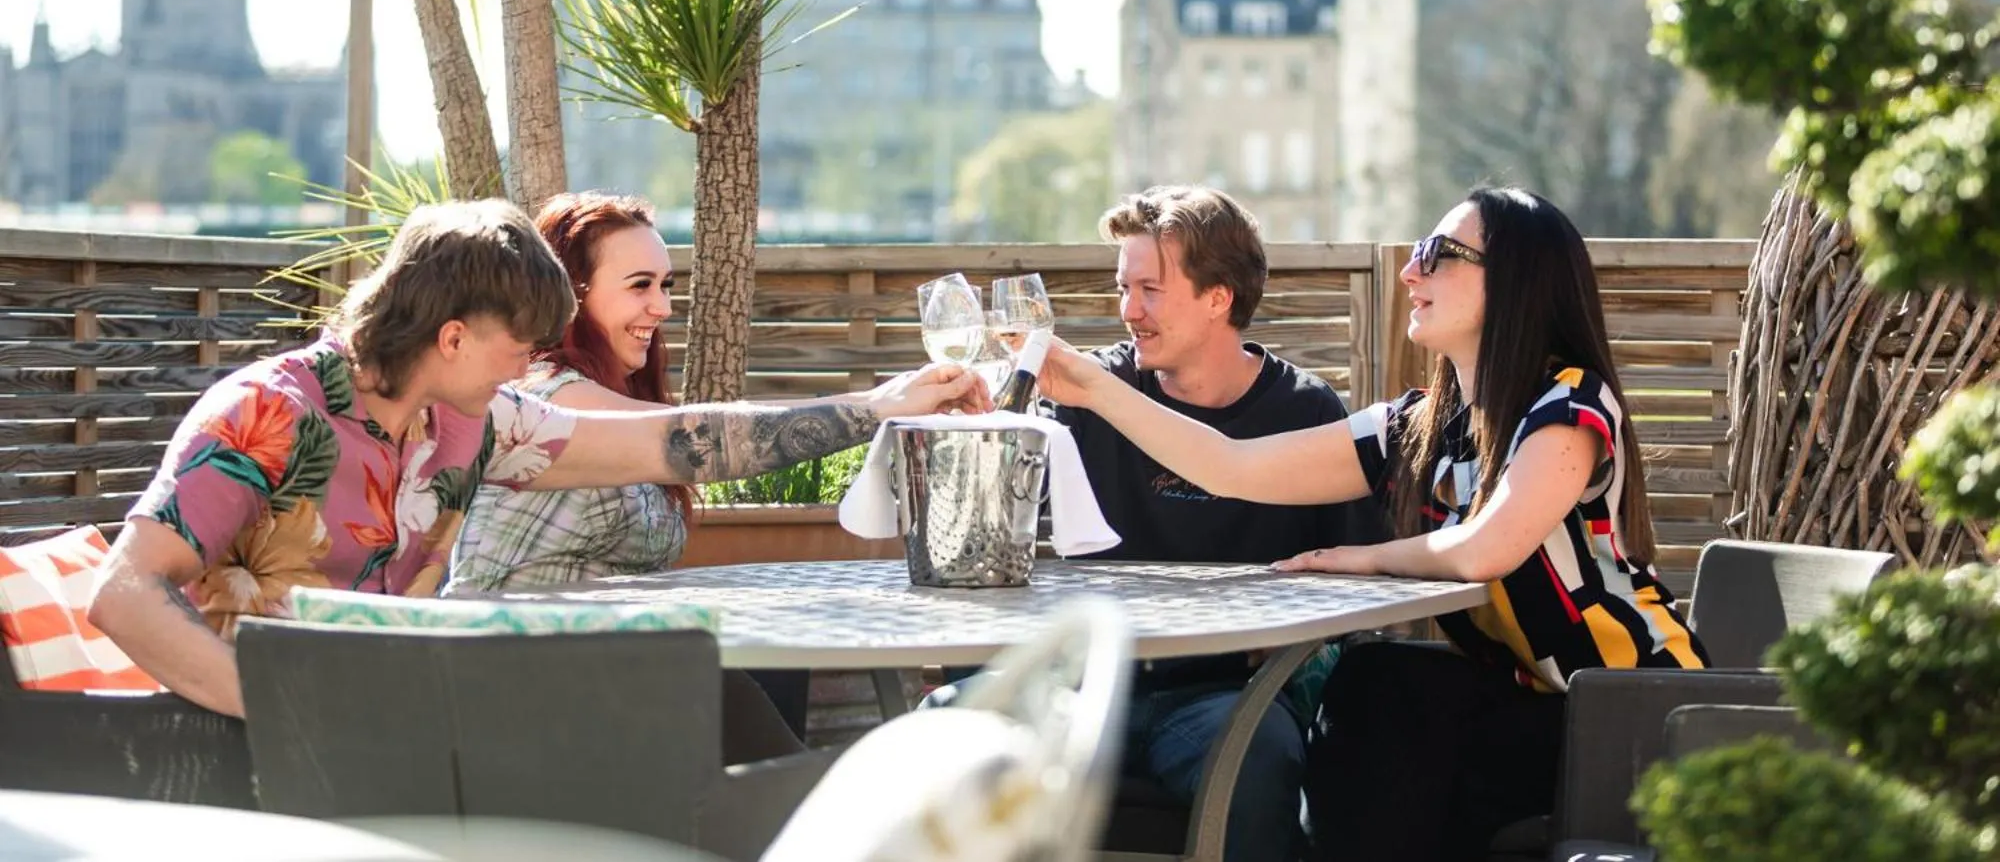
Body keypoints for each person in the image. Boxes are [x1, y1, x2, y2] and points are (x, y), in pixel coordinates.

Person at [88, 199, 985, 719]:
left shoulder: (468, 423)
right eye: (519, 345)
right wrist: (289, 712)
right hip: (243, 746)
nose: (532, 366)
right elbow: (124, 591)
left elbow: (677, 443)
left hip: (391, 726)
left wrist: (876, 406)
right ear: (449, 336)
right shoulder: (268, 414)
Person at [1036, 187, 1707, 862]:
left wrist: (1366, 555)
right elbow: (1227, 464)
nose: (1410, 271)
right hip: (1531, 703)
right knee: (1375, 689)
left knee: (1387, 717)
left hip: (1636, 705)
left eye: (1436, 254)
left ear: (1514, 280)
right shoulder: (1416, 427)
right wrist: (1093, 387)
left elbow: (1485, 546)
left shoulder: (1570, 403)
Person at [1042, 186, 1386, 862]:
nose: (1127, 310)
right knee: (948, 727)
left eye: (1150, 288)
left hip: (1226, 699)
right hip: (1084, 687)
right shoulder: (1090, 392)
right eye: (1123, 287)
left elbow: (1356, 581)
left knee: (1261, 758)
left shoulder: (1306, 411)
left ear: (1218, 297)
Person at [445, 191, 808, 754]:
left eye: (665, 285)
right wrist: (875, 409)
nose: (662, 307)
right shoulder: (555, 400)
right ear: (570, 296)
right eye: (640, 285)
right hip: (516, 693)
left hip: (600, 671)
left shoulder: (605, 391)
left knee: (773, 669)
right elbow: (706, 439)